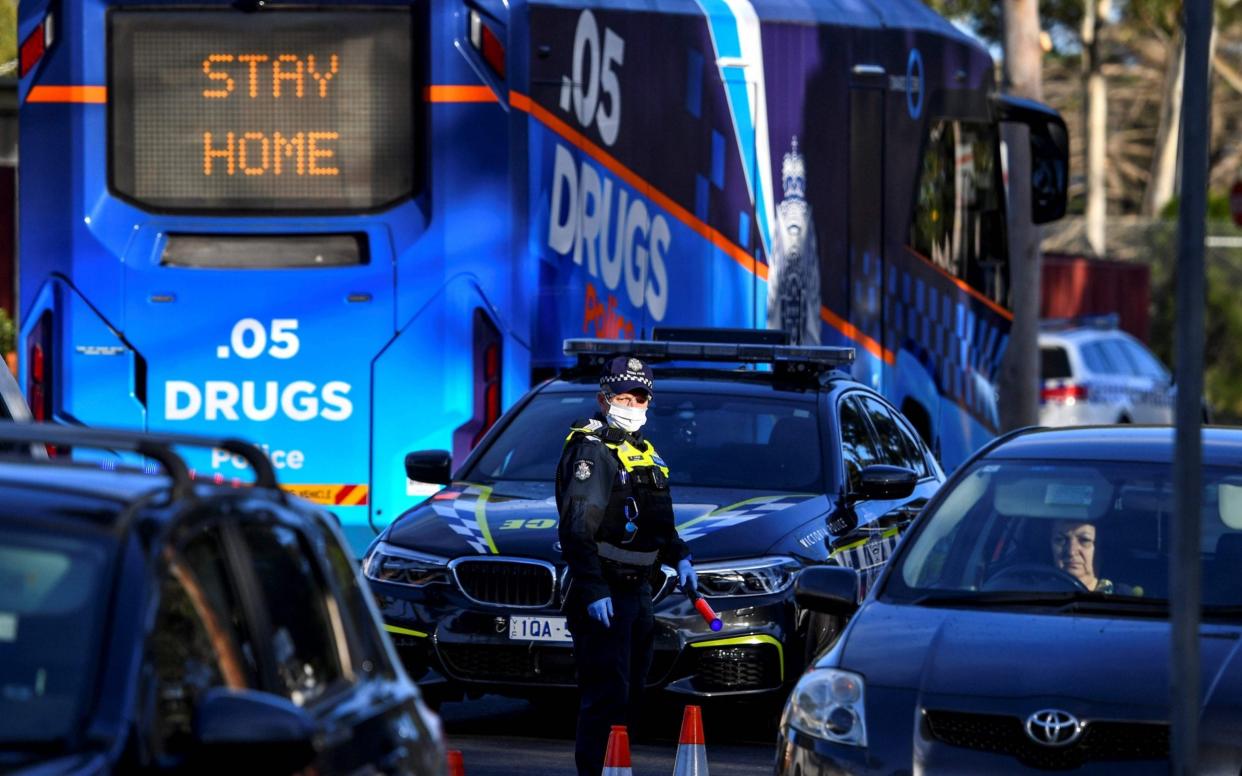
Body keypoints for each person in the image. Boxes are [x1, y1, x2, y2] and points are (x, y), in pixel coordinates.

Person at [555, 355, 694, 776]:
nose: (631, 404)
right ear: (603, 398)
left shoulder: (641, 452)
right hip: (606, 595)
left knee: (631, 692)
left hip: (638, 592)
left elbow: (654, 524)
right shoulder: (592, 452)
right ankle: (596, 772)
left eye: (639, 397)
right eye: (622, 396)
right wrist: (593, 589)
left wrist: (681, 555)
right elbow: (578, 529)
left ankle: (615, 770)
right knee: (606, 694)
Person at [1049, 519, 1140, 595]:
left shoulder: (1125, 599)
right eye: (1060, 540)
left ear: (1102, 547)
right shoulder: (1037, 594)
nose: (1071, 551)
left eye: (1084, 540)